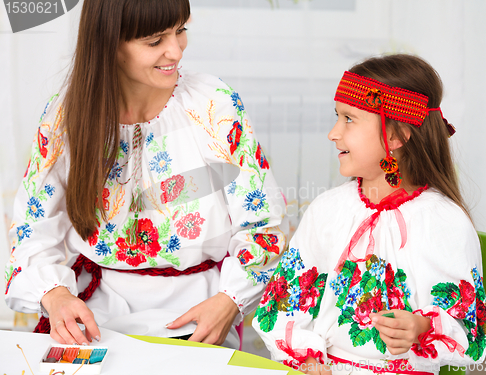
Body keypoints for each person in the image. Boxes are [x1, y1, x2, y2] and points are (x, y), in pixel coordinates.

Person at [5, 0, 288, 349]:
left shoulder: (213, 104)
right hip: (95, 316)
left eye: (181, 30)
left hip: (196, 312)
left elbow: (263, 225)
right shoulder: (65, 117)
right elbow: (32, 230)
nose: (175, 51)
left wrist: (229, 301)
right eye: (155, 41)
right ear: (109, 43)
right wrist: (56, 295)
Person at [253, 54, 486, 375]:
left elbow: (472, 335)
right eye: (336, 117)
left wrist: (421, 326)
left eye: (349, 119)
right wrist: (308, 360)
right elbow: (281, 306)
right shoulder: (327, 210)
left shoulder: (445, 222)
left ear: (395, 135)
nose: (333, 133)